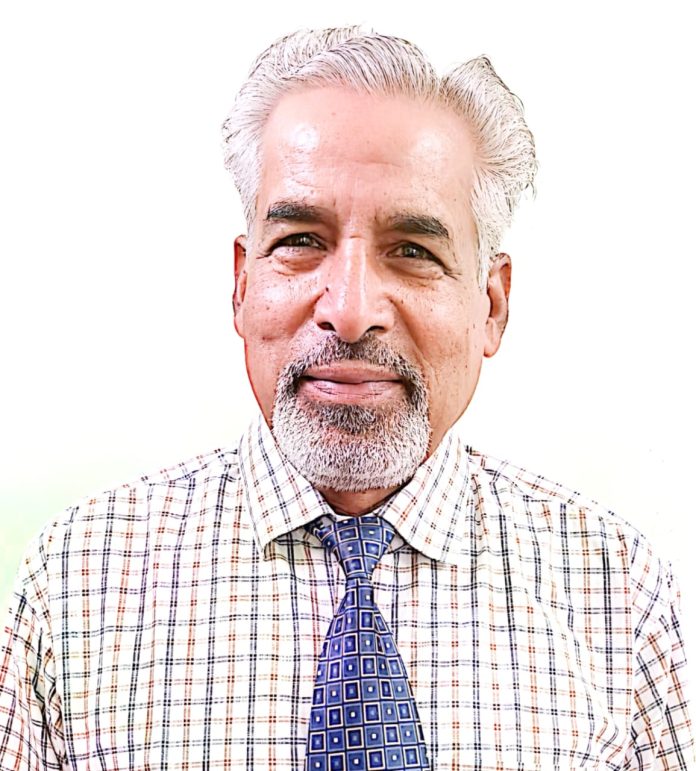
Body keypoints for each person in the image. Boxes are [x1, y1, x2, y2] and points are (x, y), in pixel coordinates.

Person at [0, 25, 693, 770]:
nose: (351, 309)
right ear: (242, 285)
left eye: (414, 251)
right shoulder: (75, 584)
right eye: (300, 240)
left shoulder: (617, 592)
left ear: (491, 305)